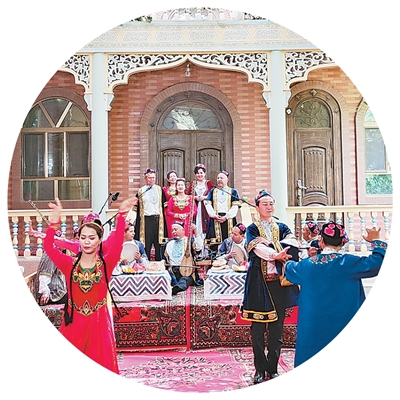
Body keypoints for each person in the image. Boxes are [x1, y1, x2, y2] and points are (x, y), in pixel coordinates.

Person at [43, 196, 137, 374]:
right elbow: (48, 246)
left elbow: (118, 242)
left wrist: (122, 214)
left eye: (92, 238)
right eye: (83, 237)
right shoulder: (68, 264)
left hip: (98, 327)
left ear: (99, 240)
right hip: (73, 325)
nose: (87, 241)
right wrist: (54, 222)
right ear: (78, 239)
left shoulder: (106, 264)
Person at [285, 222, 387, 368]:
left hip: (313, 326)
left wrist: (284, 259)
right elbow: (378, 263)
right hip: (344, 323)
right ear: (342, 242)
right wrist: (376, 241)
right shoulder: (349, 263)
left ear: (321, 240)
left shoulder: (306, 265)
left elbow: (289, 269)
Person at [240, 190, 299, 384]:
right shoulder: (252, 229)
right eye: (264, 204)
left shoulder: (282, 227)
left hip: (278, 283)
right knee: (257, 329)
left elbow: (292, 242)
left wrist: (274, 246)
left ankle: (273, 368)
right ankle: (260, 369)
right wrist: (275, 254)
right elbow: (257, 249)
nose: (269, 207)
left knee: (277, 327)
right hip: (259, 282)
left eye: (271, 203)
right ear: (257, 207)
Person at [133, 168, 168, 261]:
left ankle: (159, 263)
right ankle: (145, 262)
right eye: (149, 178)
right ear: (145, 178)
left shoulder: (159, 189)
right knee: (146, 244)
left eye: (153, 178)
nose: (151, 180)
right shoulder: (141, 191)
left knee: (158, 244)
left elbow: (165, 205)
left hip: (158, 219)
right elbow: (135, 207)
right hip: (146, 220)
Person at [204, 169, 241, 253]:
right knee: (215, 242)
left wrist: (227, 216)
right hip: (215, 218)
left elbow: (235, 206)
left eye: (222, 178)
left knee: (229, 239)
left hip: (228, 219)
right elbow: (208, 204)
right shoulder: (212, 191)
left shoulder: (232, 191)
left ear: (227, 180)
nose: (219, 180)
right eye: (218, 178)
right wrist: (213, 215)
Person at [163, 220, 204, 295]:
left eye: (176, 230)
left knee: (185, 280)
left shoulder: (189, 241)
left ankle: (175, 290)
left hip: (186, 272)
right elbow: (164, 260)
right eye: (172, 230)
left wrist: (195, 231)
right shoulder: (169, 243)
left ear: (183, 230)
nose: (173, 232)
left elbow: (198, 248)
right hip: (173, 272)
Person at [186, 163, 214, 238]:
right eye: (197, 173)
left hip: (206, 207)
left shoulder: (209, 183)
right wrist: (195, 197)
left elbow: (213, 195)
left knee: (206, 224)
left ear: (205, 173)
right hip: (195, 207)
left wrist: (204, 197)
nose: (199, 175)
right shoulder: (193, 184)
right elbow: (187, 196)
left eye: (201, 173)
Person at [162, 169, 178, 236]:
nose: (173, 178)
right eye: (171, 177)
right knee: (169, 227)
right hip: (168, 211)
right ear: (168, 179)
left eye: (174, 176)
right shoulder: (164, 189)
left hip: (179, 210)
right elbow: (163, 201)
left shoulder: (180, 187)